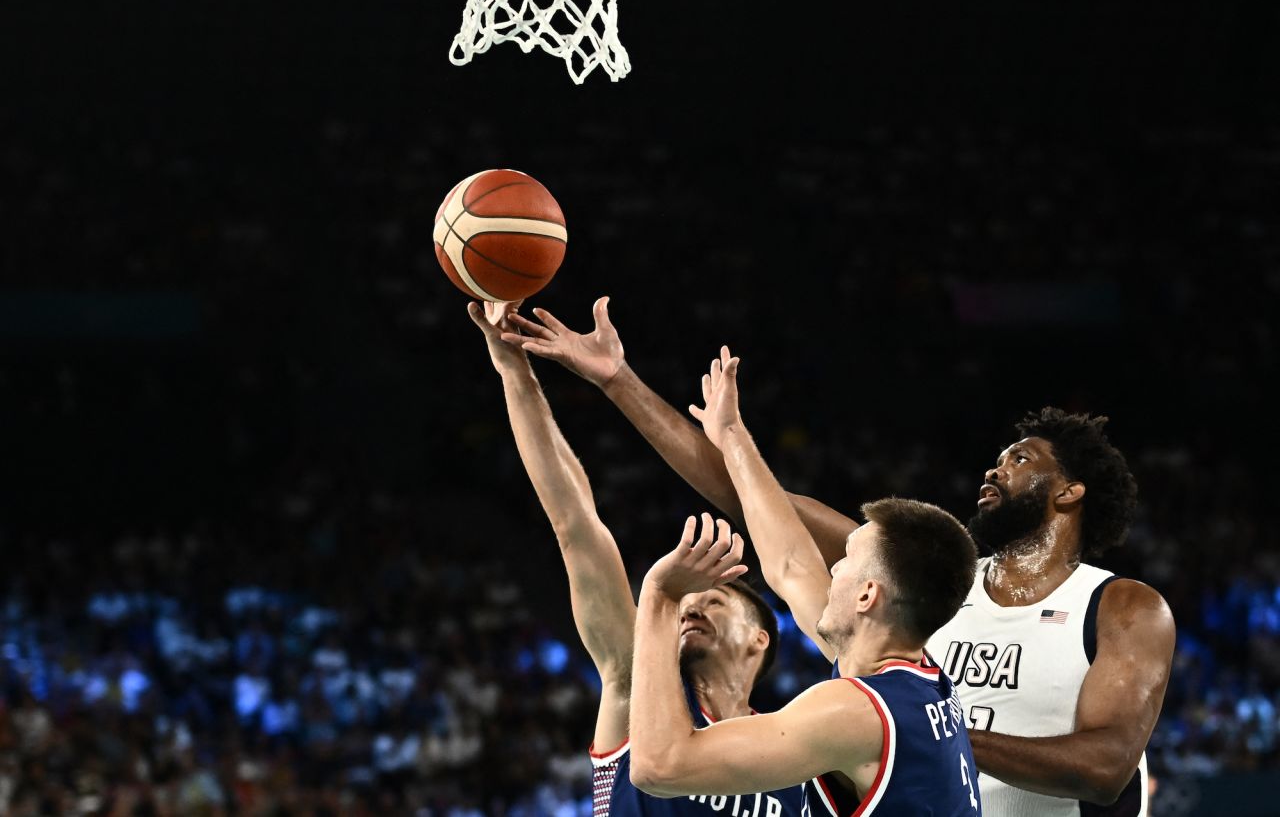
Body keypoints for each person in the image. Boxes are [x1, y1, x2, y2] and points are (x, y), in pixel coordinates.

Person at [506, 301, 1176, 817]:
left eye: (849, 559)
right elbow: (779, 543)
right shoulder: (925, 645)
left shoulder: (865, 711)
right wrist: (650, 396)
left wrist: (656, 599)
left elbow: (1107, 765)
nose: (993, 470)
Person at [467, 300, 804, 817]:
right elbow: (575, 524)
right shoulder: (636, 691)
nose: (691, 608)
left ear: (761, 636)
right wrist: (514, 370)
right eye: (689, 601)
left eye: (713, 600)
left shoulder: (795, 751)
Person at [627, 377, 980, 812]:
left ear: (868, 596)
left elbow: (659, 767)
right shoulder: (914, 674)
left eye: (847, 558)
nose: (832, 568)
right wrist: (732, 433)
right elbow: (790, 564)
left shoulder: (855, 714)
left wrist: (660, 597)